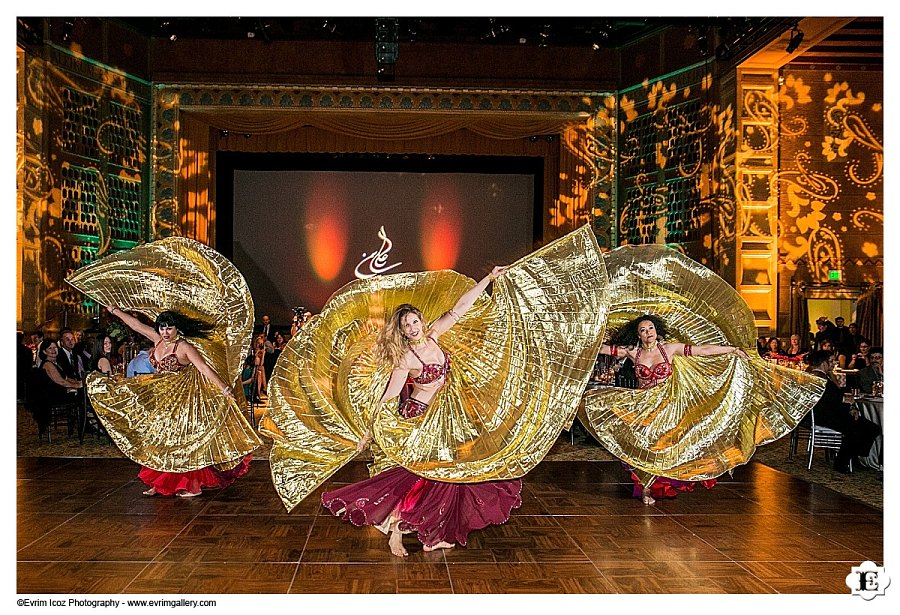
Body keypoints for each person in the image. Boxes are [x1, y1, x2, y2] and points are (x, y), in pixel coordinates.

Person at [321, 267, 525, 557]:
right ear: (401, 331)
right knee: (416, 479)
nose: (413, 328)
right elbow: (391, 394)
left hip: (443, 420)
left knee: (448, 476)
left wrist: (489, 280)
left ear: (421, 321)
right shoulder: (406, 358)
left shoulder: (433, 337)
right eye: (407, 325)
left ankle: (433, 535)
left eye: (415, 321)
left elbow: (460, 308)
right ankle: (396, 535)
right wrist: (368, 430)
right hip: (419, 417)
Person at [101, 306, 255, 497]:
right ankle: (159, 483)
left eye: (169, 328)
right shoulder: (157, 339)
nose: (165, 332)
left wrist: (224, 388)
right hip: (160, 399)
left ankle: (190, 485)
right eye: (162, 328)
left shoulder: (184, 347)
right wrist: (114, 310)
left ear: (177, 329)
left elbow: (204, 368)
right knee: (158, 439)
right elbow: (136, 324)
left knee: (178, 442)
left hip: (180, 401)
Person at [597, 314, 748, 505]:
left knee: (665, 447)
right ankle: (646, 490)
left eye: (650, 328)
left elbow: (703, 350)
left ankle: (660, 481)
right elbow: (601, 349)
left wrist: (733, 350)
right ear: (638, 335)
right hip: (644, 407)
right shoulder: (632, 352)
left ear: (656, 329)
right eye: (643, 330)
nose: (648, 332)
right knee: (644, 448)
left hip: (668, 407)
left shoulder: (670, 348)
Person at [804, 350, 880, 473]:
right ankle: (845, 460)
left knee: (867, 427)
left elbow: (834, 398)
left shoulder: (820, 376)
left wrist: (850, 407)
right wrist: (847, 404)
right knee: (864, 428)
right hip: (824, 416)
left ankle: (851, 457)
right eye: (832, 361)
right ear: (824, 363)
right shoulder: (819, 378)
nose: (834, 363)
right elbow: (828, 400)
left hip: (827, 414)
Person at [31, 338, 84, 437]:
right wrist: (78, 385)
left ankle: (83, 422)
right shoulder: (48, 364)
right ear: (44, 351)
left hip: (58, 392)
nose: (53, 350)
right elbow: (60, 381)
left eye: (55, 347)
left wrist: (80, 382)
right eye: (50, 348)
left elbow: (67, 378)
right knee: (82, 397)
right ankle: (84, 423)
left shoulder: (56, 363)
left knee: (82, 393)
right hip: (52, 396)